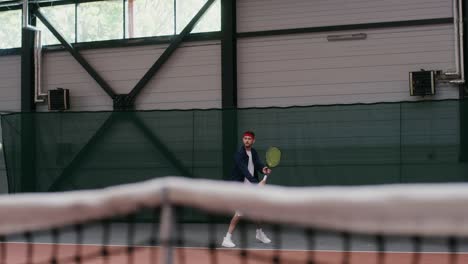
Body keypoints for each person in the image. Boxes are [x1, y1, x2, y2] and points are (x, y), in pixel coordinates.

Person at [221, 131, 272, 248]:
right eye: (245, 138)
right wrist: (257, 184)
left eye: (249, 139)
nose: (247, 140)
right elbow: (245, 170)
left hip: (250, 185)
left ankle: (259, 233)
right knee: (240, 212)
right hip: (240, 186)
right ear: (243, 140)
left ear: (253, 141)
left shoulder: (253, 152)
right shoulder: (238, 154)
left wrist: (263, 168)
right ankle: (227, 238)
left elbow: (257, 163)